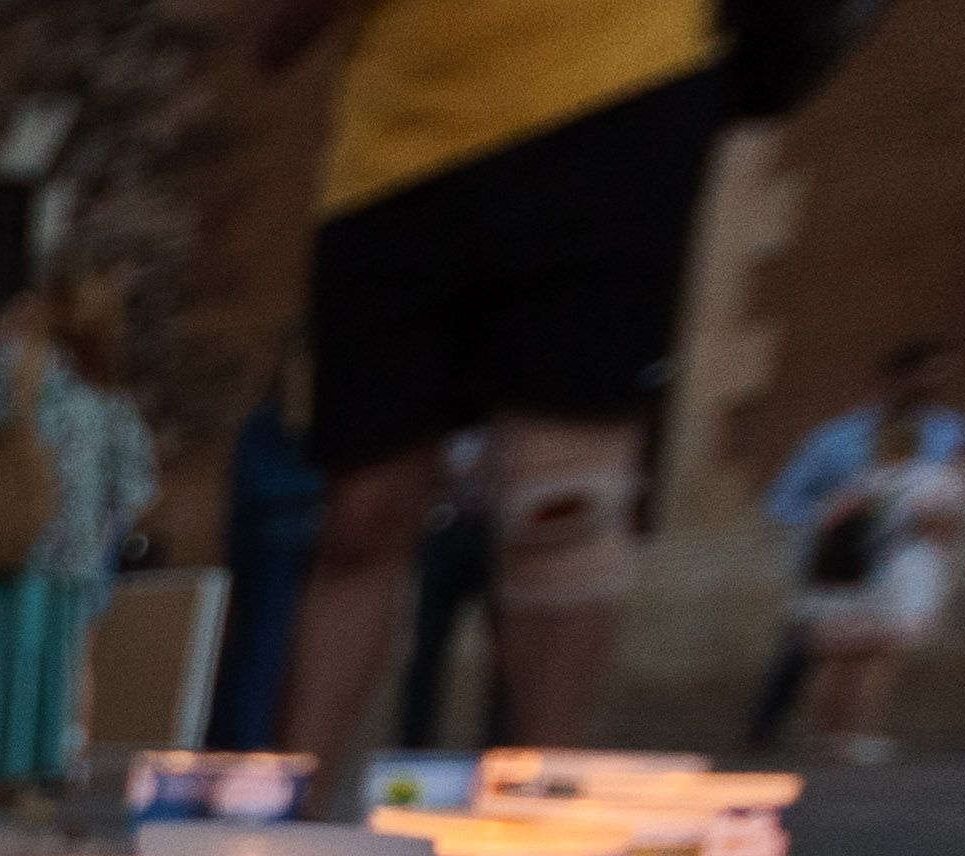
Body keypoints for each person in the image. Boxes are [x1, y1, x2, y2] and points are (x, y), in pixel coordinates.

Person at [262, 0, 726, 791]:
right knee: (359, 509)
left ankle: (544, 826)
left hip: (613, 92)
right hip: (392, 152)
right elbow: (273, 40)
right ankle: (283, 830)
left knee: (563, 496)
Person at [0, 273, 158, 786]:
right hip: (75, 558)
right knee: (55, 673)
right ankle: (42, 776)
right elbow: (138, 485)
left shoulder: (17, 369)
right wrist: (97, 524)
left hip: (7, 546)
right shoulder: (109, 395)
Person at [750, 339, 965, 748]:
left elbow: (954, 498)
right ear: (897, 377)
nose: (933, 384)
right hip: (842, 565)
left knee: (868, 651)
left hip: (898, 567)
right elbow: (786, 501)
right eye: (926, 373)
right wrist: (837, 527)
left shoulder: (949, 431)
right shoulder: (837, 438)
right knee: (817, 650)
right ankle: (783, 727)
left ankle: (844, 733)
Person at [786, 410, 965, 755]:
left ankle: (828, 736)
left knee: (836, 661)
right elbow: (945, 528)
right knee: (876, 662)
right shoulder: (930, 479)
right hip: (897, 580)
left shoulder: (862, 483)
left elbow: (823, 528)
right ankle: (860, 736)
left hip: (844, 582)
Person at [207, 333, 327, 752]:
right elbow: (252, 489)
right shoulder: (267, 424)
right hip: (272, 551)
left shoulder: (315, 426)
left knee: (287, 649)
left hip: (301, 548)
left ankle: (271, 740)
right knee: (261, 646)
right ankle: (248, 740)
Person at [393, 431, 512, 751]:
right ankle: (411, 749)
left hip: (500, 533)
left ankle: (500, 752)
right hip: (445, 528)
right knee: (426, 650)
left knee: (509, 655)